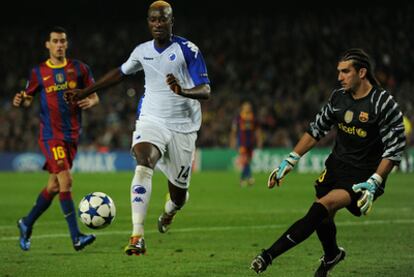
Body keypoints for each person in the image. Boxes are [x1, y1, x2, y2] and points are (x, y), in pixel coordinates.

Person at [64, 0, 211, 256]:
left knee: (179, 197)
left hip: (183, 128)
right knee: (144, 161)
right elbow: (119, 73)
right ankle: (137, 236)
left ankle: (169, 213)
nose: (157, 24)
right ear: (148, 22)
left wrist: (182, 90)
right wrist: (84, 92)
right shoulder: (142, 51)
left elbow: (206, 89)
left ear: (171, 21)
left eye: (162, 19)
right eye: (153, 19)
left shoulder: (188, 49)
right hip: (151, 119)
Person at [250, 48, 406, 276]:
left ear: (362, 72)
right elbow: (316, 130)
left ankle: (268, 255)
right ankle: (332, 255)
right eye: (338, 71)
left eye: (345, 71)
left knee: (321, 207)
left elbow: (395, 147)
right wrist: (290, 160)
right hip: (336, 165)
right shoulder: (338, 98)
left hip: (364, 174)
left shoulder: (383, 103)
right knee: (324, 219)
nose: (340, 77)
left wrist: (376, 180)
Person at [13, 26, 99, 251]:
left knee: (53, 186)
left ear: (66, 44)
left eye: (62, 41)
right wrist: (21, 100)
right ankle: (76, 237)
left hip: (72, 135)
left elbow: (95, 95)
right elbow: (28, 98)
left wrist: (91, 102)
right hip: (51, 135)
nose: (59, 45)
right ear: (48, 45)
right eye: (55, 41)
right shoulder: (38, 72)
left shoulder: (80, 69)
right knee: (66, 180)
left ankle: (26, 222)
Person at [229, 100, 263, 186]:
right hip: (242, 143)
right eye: (246, 107)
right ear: (242, 108)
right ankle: (250, 178)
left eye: (249, 107)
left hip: (251, 143)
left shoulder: (253, 118)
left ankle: (242, 179)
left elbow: (258, 131)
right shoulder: (238, 118)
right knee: (245, 160)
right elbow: (234, 131)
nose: (247, 108)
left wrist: (259, 141)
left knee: (248, 161)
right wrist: (232, 141)